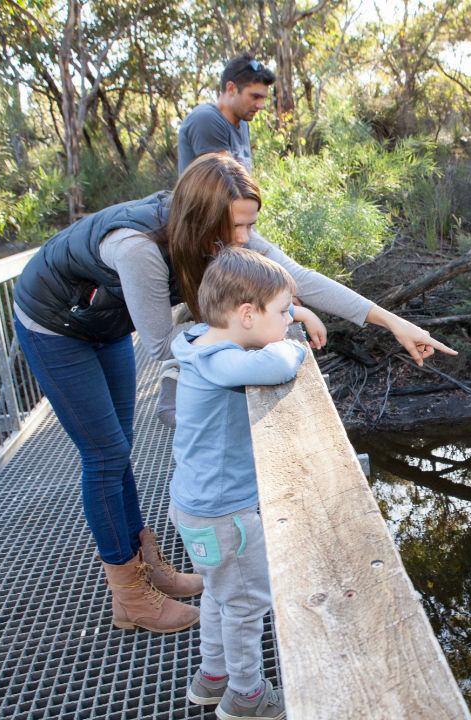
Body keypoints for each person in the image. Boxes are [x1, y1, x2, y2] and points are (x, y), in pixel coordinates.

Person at [13, 153, 454, 634]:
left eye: (249, 226)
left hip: (107, 320)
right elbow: (164, 344)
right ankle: (130, 594)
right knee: (105, 453)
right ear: (203, 220)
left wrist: (390, 321)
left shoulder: (224, 224)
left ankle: (148, 565)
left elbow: (294, 278)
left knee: (119, 447)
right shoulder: (138, 247)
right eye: (236, 229)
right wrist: (274, 322)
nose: (244, 239)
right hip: (56, 324)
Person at [168, 247, 308, 720]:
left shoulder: (197, 343)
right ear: (247, 315)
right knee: (247, 603)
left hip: (194, 506)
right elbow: (279, 364)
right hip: (226, 513)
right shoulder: (223, 362)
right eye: (284, 311)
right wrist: (297, 346)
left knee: (218, 590)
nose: (290, 320)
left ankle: (213, 677)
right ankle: (247, 696)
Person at [178, 55, 275, 176]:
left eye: (262, 98)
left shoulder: (243, 124)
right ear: (231, 88)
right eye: (255, 97)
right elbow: (225, 186)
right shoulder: (206, 119)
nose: (260, 105)